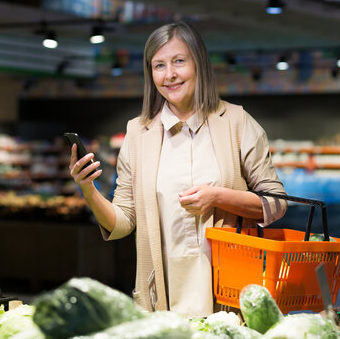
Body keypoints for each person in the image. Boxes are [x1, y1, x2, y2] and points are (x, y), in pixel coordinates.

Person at [68, 21, 288, 318]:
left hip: (227, 299)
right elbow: (122, 223)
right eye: (159, 65)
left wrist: (218, 196)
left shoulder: (236, 122)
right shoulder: (138, 133)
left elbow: (276, 203)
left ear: (199, 64)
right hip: (161, 299)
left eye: (179, 61)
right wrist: (88, 190)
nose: (169, 74)